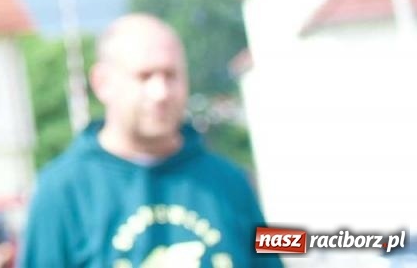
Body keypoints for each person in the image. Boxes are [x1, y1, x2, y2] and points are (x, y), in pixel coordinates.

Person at [20, 14, 279, 268]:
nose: (161, 93)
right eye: (144, 76)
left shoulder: (229, 181)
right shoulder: (62, 191)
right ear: (102, 83)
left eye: (171, 75)